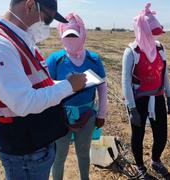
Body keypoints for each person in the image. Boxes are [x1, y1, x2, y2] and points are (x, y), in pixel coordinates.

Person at [0, 0, 87, 179]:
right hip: (24, 152)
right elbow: (23, 102)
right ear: (29, 5)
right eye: (47, 18)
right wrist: (68, 86)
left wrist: (65, 84)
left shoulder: (21, 39)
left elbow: (38, 84)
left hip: (37, 142)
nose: (47, 26)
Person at [47, 13, 108, 180]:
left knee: (83, 153)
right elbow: (46, 87)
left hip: (87, 115)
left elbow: (102, 88)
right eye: (68, 35)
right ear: (61, 35)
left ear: (82, 35)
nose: (71, 39)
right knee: (59, 155)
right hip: (60, 117)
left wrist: (101, 113)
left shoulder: (93, 59)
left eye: (75, 34)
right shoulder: (55, 60)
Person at [122, 3, 170, 179]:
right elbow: (126, 82)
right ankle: (139, 165)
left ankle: (156, 159)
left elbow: (164, 73)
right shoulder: (132, 52)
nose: (153, 35)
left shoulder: (160, 48)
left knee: (162, 134)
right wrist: (132, 108)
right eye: (150, 31)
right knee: (138, 134)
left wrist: (169, 96)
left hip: (158, 97)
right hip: (139, 100)